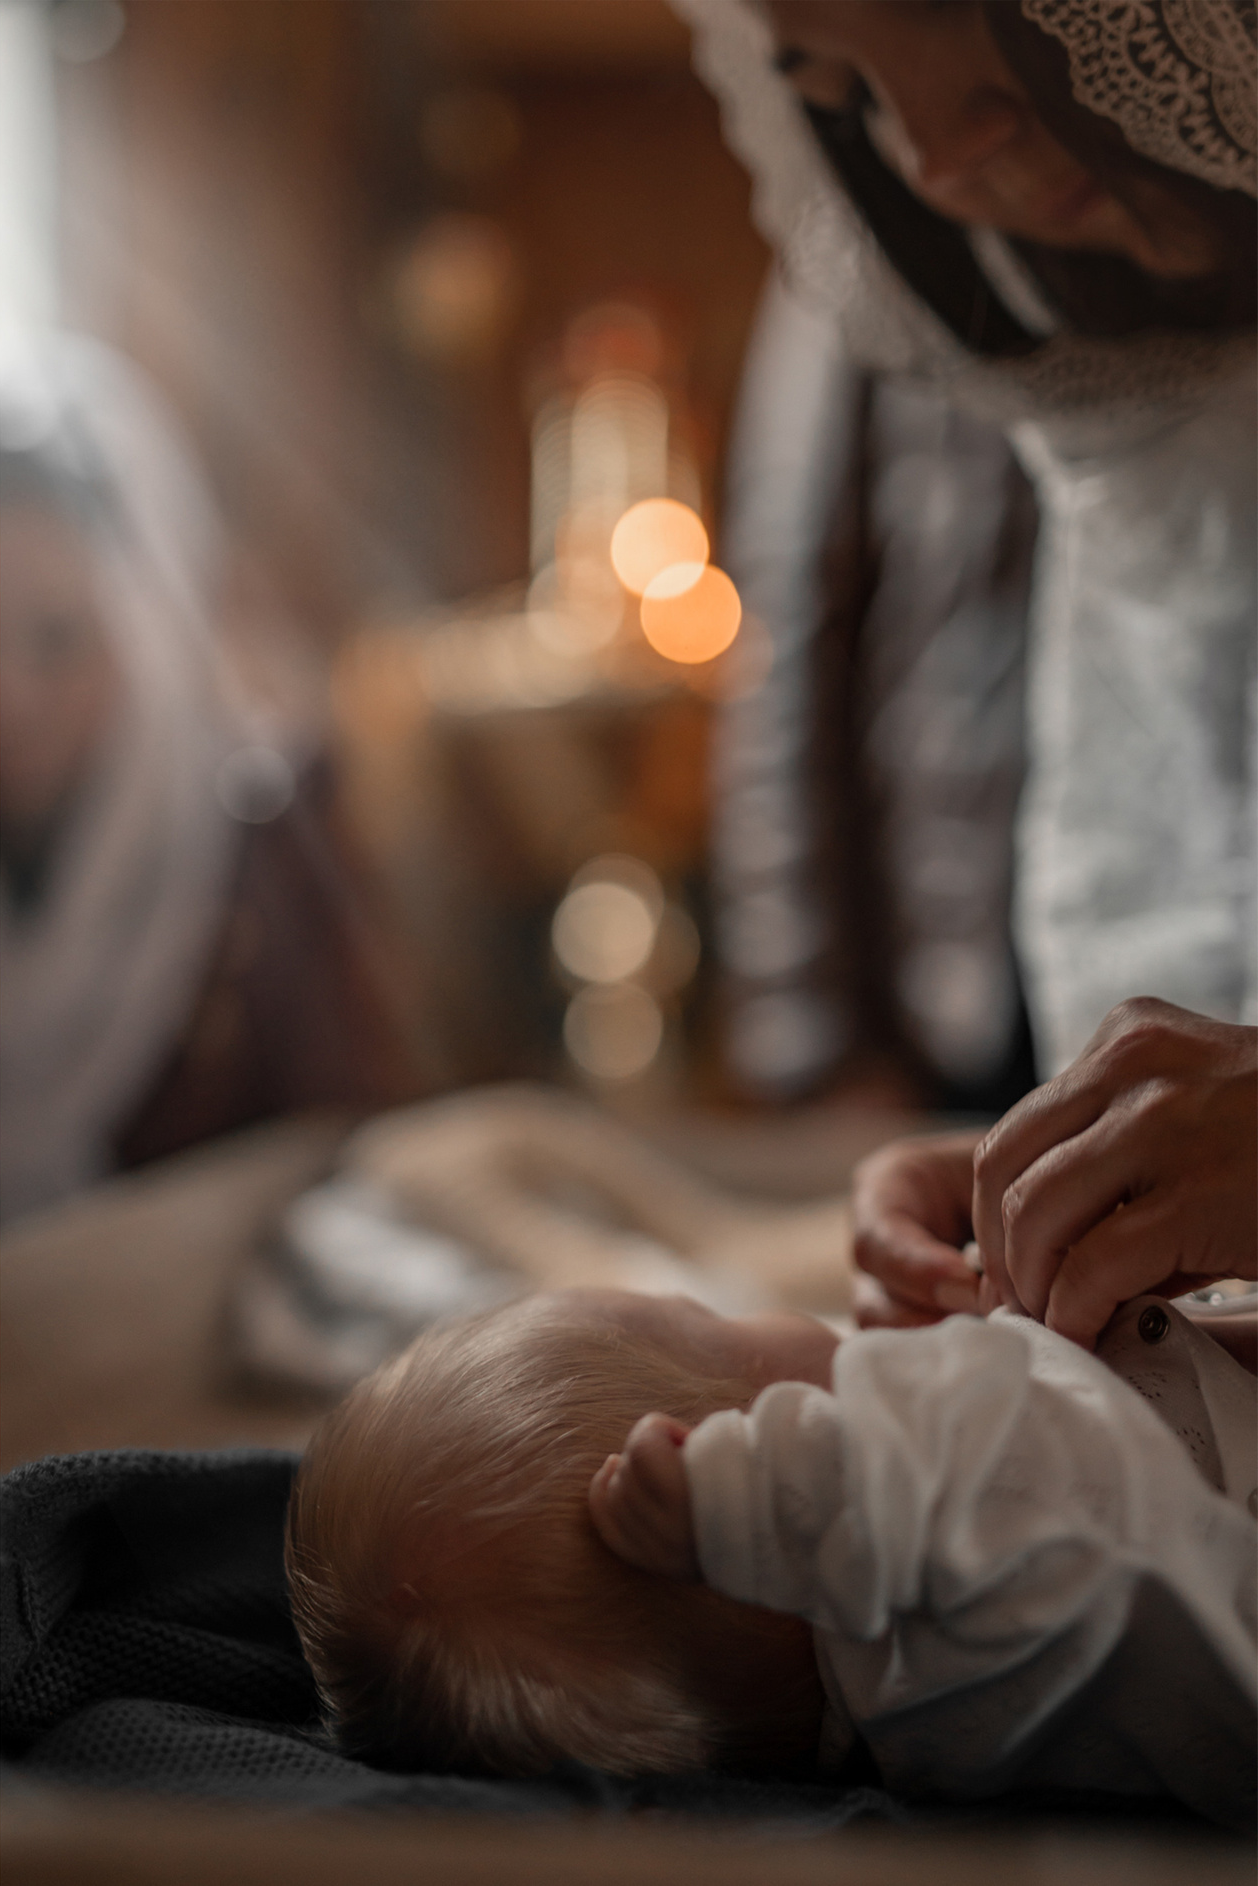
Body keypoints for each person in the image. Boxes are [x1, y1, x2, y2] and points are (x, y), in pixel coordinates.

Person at [671, 0, 1258, 1333]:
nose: (935, 153)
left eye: (954, 11)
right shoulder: (1014, 352)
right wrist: (1065, 1175)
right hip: (959, 937)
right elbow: (793, 632)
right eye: (847, 86)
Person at [285, 1286, 1257, 1825]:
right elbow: (1063, 1510)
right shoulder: (950, 1617)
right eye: (699, 1314)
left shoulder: (925, 1701)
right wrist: (763, 1497)